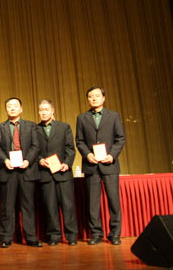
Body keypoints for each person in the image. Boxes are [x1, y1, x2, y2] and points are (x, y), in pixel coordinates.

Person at [75, 86, 126, 245]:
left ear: (103, 98)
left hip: (109, 164)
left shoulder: (113, 116)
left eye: (97, 96)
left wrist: (112, 155)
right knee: (93, 203)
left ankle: (115, 233)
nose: (94, 98)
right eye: (91, 96)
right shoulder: (82, 118)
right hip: (91, 166)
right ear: (87, 99)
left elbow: (120, 138)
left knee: (113, 201)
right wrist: (87, 154)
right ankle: (96, 233)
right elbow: (79, 141)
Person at [0, 97, 42, 247]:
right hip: (8, 171)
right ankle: (6, 238)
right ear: (5, 109)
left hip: (27, 170)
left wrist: (28, 160)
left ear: (21, 109)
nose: (12, 108)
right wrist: (4, 160)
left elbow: (36, 146)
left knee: (28, 206)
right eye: (9, 106)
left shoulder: (31, 126)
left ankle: (31, 237)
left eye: (15, 106)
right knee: (7, 207)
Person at [36, 100, 78, 246]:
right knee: (50, 207)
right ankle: (54, 235)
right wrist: (40, 160)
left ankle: (71, 236)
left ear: (52, 110)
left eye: (46, 109)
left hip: (63, 173)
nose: (43, 112)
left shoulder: (64, 127)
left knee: (68, 206)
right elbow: (34, 150)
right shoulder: (35, 129)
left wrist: (67, 163)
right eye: (41, 110)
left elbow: (70, 148)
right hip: (45, 174)